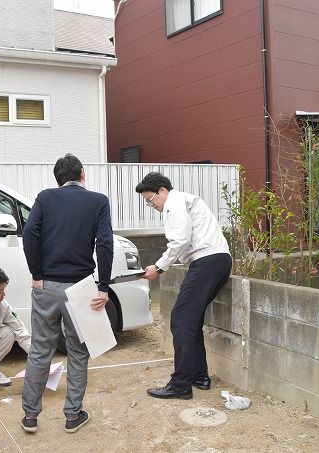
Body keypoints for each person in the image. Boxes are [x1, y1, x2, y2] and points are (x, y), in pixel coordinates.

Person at [20, 153, 113, 434]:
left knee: (40, 350)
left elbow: (29, 234)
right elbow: (105, 243)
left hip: (46, 286)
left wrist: (37, 274)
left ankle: (30, 417)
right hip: (81, 287)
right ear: (82, 173)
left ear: (57, 179)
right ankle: (73, 415)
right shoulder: (98, 201)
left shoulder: (45, 198)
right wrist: (104, 287)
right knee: (78, 350)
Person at [136, 172, 231, 400]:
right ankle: (199, 375)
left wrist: (158, 268)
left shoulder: (174, 202)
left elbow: (180, 241)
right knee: (191, 320)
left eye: (150, 200)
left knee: (180, 319)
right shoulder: (185, 200)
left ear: (162, 190)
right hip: (218, 260)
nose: (152, 205)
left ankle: (180, 384)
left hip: (207, 261)